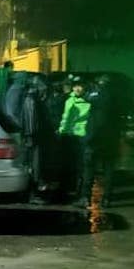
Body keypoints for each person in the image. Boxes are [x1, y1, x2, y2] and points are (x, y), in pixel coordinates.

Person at [83, 74, 122, 208]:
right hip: (111, 138)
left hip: (94, 137)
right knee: (109, 170)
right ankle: (107, 199)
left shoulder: (95, 94)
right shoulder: (116, 96)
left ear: (100, 83)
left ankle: (86, 198)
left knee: (89, 168)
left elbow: (86, 99)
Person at [57, 79, 91, 207]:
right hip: (69, 135)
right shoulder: (69, 100)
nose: (77, 89)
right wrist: (62, 131)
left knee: (80, 165)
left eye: (80, 86)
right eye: (75, 86)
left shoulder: (88, 101)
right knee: (69, 164)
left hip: (81, 136)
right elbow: (65, 117)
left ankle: (78, 191)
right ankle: (69, 190)